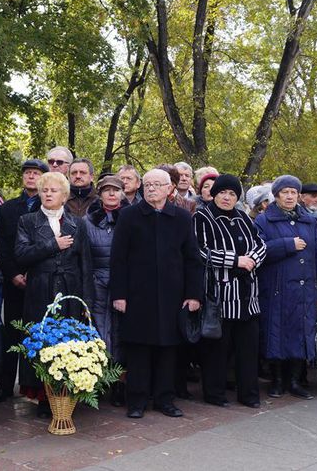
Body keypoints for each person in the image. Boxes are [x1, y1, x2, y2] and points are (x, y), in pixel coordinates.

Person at [110, 169, 203, 418]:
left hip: (173, 296)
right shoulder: (129, 216)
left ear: (169, 188)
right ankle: (137, 401)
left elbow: (193, 259)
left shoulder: (182, 218)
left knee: (168, 351)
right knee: (139, 350)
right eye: (147, 184)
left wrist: (194, 295)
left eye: (157, 184)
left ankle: (165, 399)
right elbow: (118, 258)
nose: (151, 189)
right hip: (137, 295)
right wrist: (119, 294)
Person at [14, 171, 94, 417]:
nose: (48, 194)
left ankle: (66, 395)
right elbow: (21, 255)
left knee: (67, 341)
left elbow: (85, 264)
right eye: (44, 190)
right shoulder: (27, 221)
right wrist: (52, 245)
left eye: (54, 190)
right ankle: (44, 396)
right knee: (42, 340)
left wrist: (86, 301)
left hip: (70, 289)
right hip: (40, 289)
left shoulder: (78, 223)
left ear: (64, 195)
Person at [194, 174, 266, 409]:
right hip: (221, 294)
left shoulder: (244, 217)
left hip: (248, 296)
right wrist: (235, 260)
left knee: (248, 348)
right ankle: (214, 393)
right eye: (223, 192)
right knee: (217, 348)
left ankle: (249, 394)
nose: (227, 197)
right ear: (214, 193)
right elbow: (200, 251)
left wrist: (252, 259)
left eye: (233, 194)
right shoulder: (202, 217)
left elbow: (260, 245)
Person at [254, 175, 317, 400]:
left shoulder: (309, 221)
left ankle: (295, 381)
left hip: (305, 290)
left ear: (299, 196)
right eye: (285, 192)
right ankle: (277, 381)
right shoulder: (264, 220)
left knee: (301, 333)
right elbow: (258, 250)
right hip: (277, 287)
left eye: (293, 192)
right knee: (276, 333)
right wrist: (287, 245)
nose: (289, 196)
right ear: (276, 195)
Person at [0, 159, 48, 404]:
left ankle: (35, 386)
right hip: (14, 280)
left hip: (40, 278)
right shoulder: (8, 208)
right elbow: (2, 245)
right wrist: (13, 274)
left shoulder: (48, 206)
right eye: (27, 173)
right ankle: (5, 386)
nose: (31, 177)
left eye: (36, 173)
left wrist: (33, 274)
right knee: (12, 333)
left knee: (38, 333)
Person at [84, 175, 128, 405]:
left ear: (122, 193)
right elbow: (84, 256)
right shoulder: (87, 221)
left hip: (125, 283)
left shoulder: (131, 218)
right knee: (99, 330)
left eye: (116, 190)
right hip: (97, 282)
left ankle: (120, 382)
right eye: (107, 190)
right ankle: (99, 381)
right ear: (99, 194)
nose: (112, 194)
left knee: (121, 332)